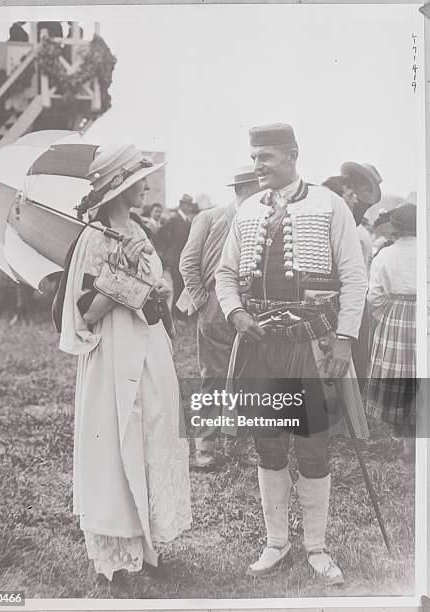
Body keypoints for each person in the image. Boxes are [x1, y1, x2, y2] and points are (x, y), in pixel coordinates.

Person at [216, 123, 368, 585]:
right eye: (254, 156)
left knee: (313, 443)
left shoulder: (330, 204)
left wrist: (344, 339)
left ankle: (317, 546)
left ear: (292, 155)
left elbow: (354, 277)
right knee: (267, 442)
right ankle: (276, 542)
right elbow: (225, 274)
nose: (257, 165)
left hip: (311, 345)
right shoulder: (244, 212)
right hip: (261, 347)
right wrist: (236, 312)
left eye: (265, 157)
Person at [58, 144, 191, 583]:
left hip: (148, 346)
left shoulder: (139, 229)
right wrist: (122, 269)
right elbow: (87, 313)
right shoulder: (95, 238)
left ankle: (148, 547)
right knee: (118, 439)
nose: (148, 187)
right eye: (141, 181)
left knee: (152, 434)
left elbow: (155, 289)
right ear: (122, 188)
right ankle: (117, 557)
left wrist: (157, 289)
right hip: (113, 350)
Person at [178, 166, 261, 469]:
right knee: (213, 378)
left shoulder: (261, 218)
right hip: (215, 309)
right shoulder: (210, 218)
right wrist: (203, 302)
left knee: (249, 378)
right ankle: (205, 450)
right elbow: (187, 263)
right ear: (246, 188)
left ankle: (241, 446)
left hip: (251, 310)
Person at [364, 204, 417, 462]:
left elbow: (374, 297)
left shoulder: (384, 256)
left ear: (395, 228)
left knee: (401, 379)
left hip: (395, 316)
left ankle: (408, 443)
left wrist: (383, 316)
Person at [322, 162, 382, 381]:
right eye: (351, 194)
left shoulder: (353, 227)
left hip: (348, 299)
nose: (356, 198)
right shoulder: (343, 221)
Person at [156, 194, 195, 316]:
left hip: (185, 257)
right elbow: (160, 234)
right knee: (177, 284)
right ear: (182, 205)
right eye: (187, 205)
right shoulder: (174, 220)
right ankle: (175, 314)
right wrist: (169, 248)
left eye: (190, 205)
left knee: (183, 284)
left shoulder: (187, 220)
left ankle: (181, 312)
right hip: (176, 257)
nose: (189, 208)